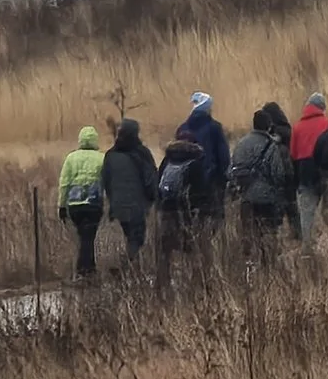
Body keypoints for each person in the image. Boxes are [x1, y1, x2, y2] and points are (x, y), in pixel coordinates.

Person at [152, 134, 214, 287]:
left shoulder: (167, 160)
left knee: (165, 250)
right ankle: (198, 284)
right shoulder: (195, 163)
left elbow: (158, 185)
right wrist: (205, 210)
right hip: (187, 214)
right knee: (196, 250)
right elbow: (201, 190)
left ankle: (162, 282)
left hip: (166, 212)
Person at [230, 102, 296, 244]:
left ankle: (250, 263)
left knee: (249, 235)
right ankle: (269, 263)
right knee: (268, 235)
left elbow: (232, 170)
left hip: (246, 196)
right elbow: (278, 173)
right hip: (267, 198)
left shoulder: (241, 144)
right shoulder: (271, 146)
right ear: (269, 126)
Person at [101, 116, 159, 262]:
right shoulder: (141, 153)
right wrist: (153, 197)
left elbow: (105, 180)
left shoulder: (110, 154)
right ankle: (124, 265)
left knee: (130, 236)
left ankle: (131, 271)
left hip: (118, 205)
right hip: (137, 204)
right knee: (137, 239)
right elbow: (150, 178)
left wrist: (112, 200)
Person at [56, 124, 109, 278]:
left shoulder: (71, 158)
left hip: (74, 206)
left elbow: (64, 183)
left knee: (84, 236)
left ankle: (88, 269)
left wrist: (61, 205)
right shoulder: (102, 158)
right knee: (88, 236)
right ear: (95, 141)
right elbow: (107, 181)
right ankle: (85, 270)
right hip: (94, 204)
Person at [177, 92, 231, 228]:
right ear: (207, 108)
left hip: (186, 183)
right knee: (213, 221)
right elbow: (223, 157)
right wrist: (223, 178)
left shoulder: (182, 129)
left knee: (190, 220)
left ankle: (191, 247)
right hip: (211, 181)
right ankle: (208, 247)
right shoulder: (214, 128)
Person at [289, 92, 328, 241]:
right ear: (322, 108)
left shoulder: (297, 127)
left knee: (307, 212)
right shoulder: (327, 123)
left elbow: (292, 154)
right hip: (323, 169)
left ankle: (307, 245)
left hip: (304, 170)